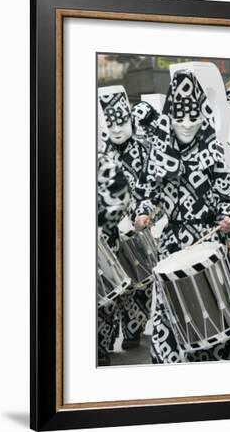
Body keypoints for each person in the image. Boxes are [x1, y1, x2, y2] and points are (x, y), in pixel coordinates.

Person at [138, 71, 230, 362]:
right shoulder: (159, 154)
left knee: (215, 309)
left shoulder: (215, 151)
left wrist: (227, 220)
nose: (187, 124)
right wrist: (144, 213)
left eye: (192, 116)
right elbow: (148, 195)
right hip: (173, 245)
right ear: (169, 118)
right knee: (168, 312)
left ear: (202, 114)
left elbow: (228, 198)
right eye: (180, 117)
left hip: (209, 241)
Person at [98, 85, 155, 350]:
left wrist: (143, 212)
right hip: (108, 233)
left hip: (137, 228)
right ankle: (103, 342)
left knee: (139, 286)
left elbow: (151, 186)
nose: (117, 129)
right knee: (107, 290)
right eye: (111, 125)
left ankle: (133, 329)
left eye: (122, 122)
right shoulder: (99, 153)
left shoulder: (144, 151)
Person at [97, 148, 131, 366]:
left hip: (102, 240)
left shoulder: (104, 163)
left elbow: (120, 199)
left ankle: (99, 347)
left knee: (104, 302)